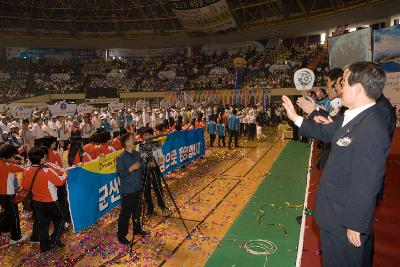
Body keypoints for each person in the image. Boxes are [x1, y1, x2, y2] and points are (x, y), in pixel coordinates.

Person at [282, 62, 391, 267]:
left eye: (344, 83)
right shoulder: (354, 117)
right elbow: (326, 132)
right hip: (335, 214)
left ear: (358, 89)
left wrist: (355, 223)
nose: (341, 88)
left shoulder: (371, 127)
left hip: (345, 220)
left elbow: (367, 182)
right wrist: (296, 118)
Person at [22, 147, 67, 253]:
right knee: (62, 217)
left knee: (43, 224)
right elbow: (60, 182)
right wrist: (66, 175)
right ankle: (55, 240)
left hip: (37, 202)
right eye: (45, 156)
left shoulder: (27, 171)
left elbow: (25, 185)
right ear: (41, 158)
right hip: (51, 201)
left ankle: (45, 246)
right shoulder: (47, 170)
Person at [116, 133, 147, 245]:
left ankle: (137, 229)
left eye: (132, 139)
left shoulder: (137, 154)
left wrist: (146, 164)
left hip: (137, 187)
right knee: (125, 214)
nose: (132, 141)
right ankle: (121, 235)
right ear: (124, 143)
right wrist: (131, 168)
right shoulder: (121, 157)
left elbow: (142, 166)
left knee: (137, 211)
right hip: (128, 190)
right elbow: (121, 174)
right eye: (129, 139)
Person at [0, 144, 26, 244]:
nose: (13, 158)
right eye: (12, 156)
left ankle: (6, 229)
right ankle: (16, 237)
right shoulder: (8, 166)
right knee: (14, 215)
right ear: (9, 155)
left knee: (6, 212)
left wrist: (19, 152)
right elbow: (24, 169)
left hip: (1, 194)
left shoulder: (4, 163)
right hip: (8, 194)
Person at [139, 127, 167, 216]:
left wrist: (155, 162)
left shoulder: (157, 143)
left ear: (152, 134)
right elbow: (138, 159)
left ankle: (162, 205)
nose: (146, 137)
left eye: (148, 134)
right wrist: (144, 162)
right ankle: (150, 209)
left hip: (155, 169)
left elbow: (161, 158)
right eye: (144, 135)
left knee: (158, 188)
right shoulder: (140, 146)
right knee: (146, 191)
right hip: (144, 170)